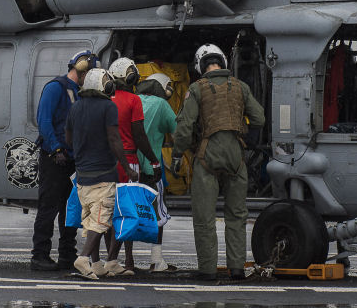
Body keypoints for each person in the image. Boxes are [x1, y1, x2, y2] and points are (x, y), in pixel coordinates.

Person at [172, 44, 265, 281]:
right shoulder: (241, 87)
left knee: (204, 217)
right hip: (236, 156)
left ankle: (208, 270)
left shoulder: (196, 88)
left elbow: (184, 127)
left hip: (207, 156)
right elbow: (259, 118)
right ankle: (236, 268)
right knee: (236, 215)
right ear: (223, 62)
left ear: (200, 66)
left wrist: (177, 153)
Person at [65, 68, 140, 279]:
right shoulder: (108, 106)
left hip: (82, 175)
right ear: (102, 85)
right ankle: (83, 258)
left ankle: (97, 264)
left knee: (89, 221)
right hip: (104, 175)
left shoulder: (76, 107)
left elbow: (69, 139)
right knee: (101, 220)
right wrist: (127, 168)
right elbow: (115, 139)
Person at [31, 50, 97, 271]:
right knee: (48, 208)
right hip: (54, 158)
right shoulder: (55, 88)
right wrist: (56, 148)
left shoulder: (80, 93)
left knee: (70, 208)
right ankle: (39, 255)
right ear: (80, 68)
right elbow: (44, 120)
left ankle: (67, 254)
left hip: (72, 158)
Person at [108, 57, 161, 274]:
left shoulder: (106, 100)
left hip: (107, 161)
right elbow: (139, 135)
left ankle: (109, 259)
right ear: (132, 77)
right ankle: (124, 260)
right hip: (129, 160)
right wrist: (154, 161)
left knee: (109, 211)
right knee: (128, 211)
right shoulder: (133, 100)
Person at [135, 73, 177, 272]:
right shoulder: (162, 105)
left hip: (130, 166)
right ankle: (156, 259)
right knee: (158, 212)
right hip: (152, 168)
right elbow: (178, 134)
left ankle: (121, 260)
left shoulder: (134, 100)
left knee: (125, 210)